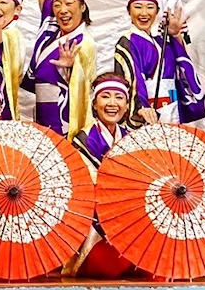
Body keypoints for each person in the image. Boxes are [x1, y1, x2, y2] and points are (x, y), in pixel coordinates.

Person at [25, 0, 96, 139]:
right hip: (42, 107)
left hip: (65, 113)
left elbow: (86, 85)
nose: (62, 9)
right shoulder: (51, 30)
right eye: (57, 5)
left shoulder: (86, 42)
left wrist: (71, 68)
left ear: (82, 6)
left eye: (69, 3)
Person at [65, 73, 136, 278]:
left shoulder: (132, 140)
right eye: (105, 96)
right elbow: (86, 190)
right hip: (94, 227)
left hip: (128, 223)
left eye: (119, 97)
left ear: (126, 104)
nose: (112, 103)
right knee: (104, 266)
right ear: (94, 104)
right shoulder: (83, 141)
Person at [113, 0, 205, 129]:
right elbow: (132, 78)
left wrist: (175, 34)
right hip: (148, 112)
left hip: (172, 108)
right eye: (138, 7)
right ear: (128, 11)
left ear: (157, 11)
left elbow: (181, 65)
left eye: (150, 7)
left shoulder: (160, 42)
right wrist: (141, 106)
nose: (144, 13)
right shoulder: (128, 42)